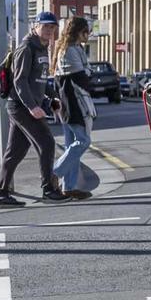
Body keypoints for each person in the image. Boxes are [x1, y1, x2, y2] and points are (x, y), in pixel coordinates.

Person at [0, 12, 71, 208]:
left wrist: (53, 97)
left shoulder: (43, 49)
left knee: (15, 152)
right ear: (35, 27)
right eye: (45, 26)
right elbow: (19, 82)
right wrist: (33, 106)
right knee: (46, 142)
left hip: (27, 106)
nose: (49, 30)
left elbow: (41, 80)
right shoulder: (26, 48)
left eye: (52, 28)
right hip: (21, 106)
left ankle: (1, 195)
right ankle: (48, 190)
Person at [52, 16, 97, 200]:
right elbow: (82, 78)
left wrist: (87, 73)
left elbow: (83, 75)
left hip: (68, 102)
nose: (89, 35)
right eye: (87, 31)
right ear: (80, 32)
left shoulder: (73, 48)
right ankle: (54, 173)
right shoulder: (70, 50)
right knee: (83, 141)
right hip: (73, 102)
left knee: (72, 144)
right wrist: (88, 73)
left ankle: (68, 187)